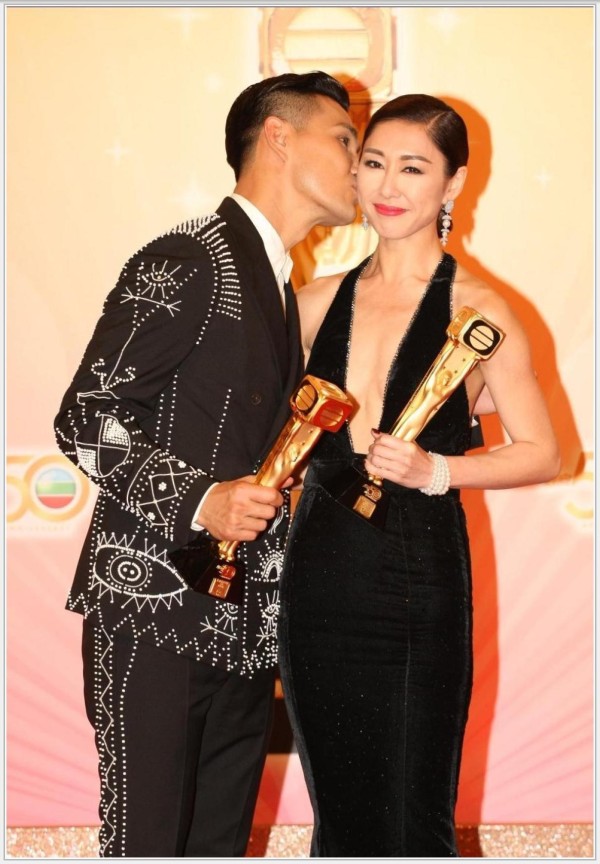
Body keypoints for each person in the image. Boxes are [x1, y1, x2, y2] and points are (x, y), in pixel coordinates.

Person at [54, 71, 358, 858]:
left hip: (243, 625)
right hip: (152, 611)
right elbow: (84, 416)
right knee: (147, 845)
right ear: (278, 137)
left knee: (218, 846)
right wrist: (201, 499)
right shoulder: (191, 256)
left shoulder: (279, 285)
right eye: (344, 138)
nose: (358, 162)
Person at [278, 94, 560, 857]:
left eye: (412, 168)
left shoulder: (480, 310)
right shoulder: (312, 303)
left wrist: (439, 468)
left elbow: (544, 451)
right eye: (373, 163)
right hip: (317, 583)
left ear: (453, 183)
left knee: (413, 814)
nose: (387, 186)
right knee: (339, 814)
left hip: (417, 581)